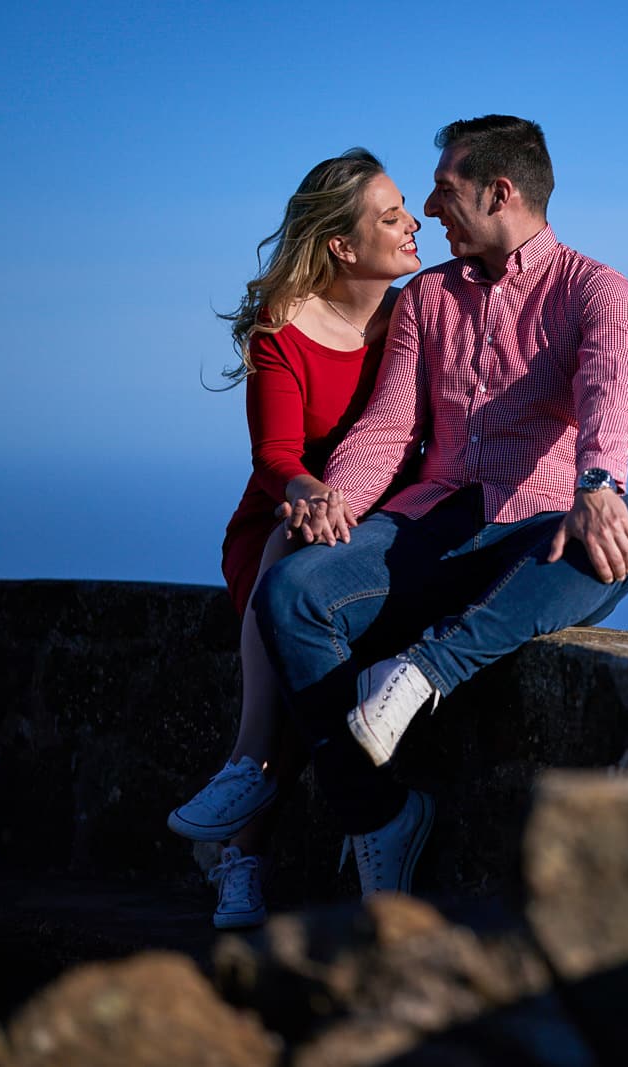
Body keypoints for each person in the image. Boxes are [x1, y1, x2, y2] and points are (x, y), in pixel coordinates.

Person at [254, 114, 628, 899]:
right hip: (425, 528)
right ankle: (377, 817)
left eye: (445, 192)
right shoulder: (425, 299)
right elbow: (388, 427)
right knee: (294, 589)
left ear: (500, 193)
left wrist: (600, 483)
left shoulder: (594, 290)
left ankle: (420, 672)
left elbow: (612, 385)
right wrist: (334, 502)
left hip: (531, 532)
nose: (429, 212)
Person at [167, 149, 422, 929]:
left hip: (378, 527)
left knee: (307, 623)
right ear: (343, 245)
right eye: (390, 216)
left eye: (407, 207)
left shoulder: (421, 313)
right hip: (285, 520)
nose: (413, 225)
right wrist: (310, 494)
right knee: (289, 601)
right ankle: (244, 850)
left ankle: (247, 784)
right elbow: (276, 458)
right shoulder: (283, 327)